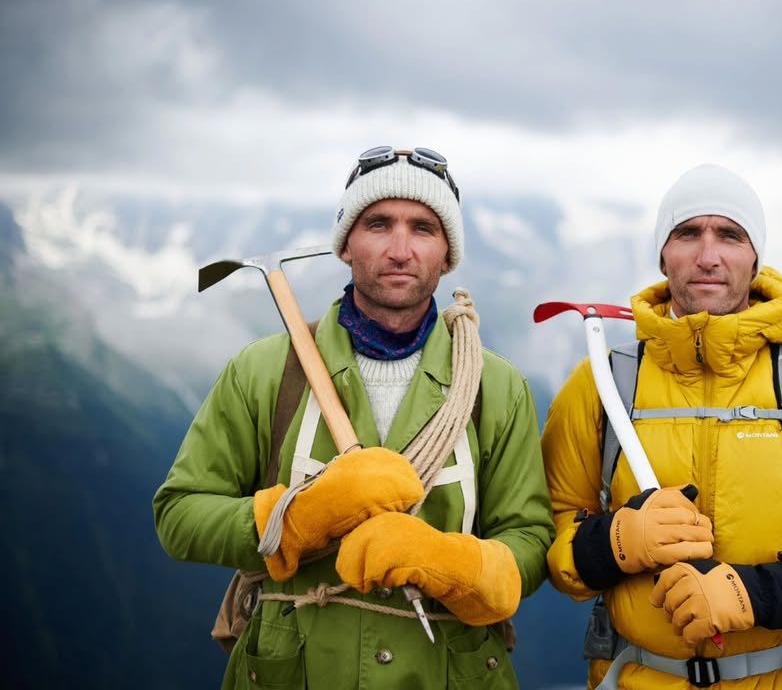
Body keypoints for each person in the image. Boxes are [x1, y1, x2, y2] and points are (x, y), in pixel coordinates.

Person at [154, 146, 554, 689]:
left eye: (423, 228)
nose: (399, 249)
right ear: (345, 245)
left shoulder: (493, 386)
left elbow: (529, 539)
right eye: (378, 224)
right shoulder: (266, 371)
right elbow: (179, 515)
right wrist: (294, 521)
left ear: (447, 255)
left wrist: (450, 562)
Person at [542, 164, 782, 689]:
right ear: (663, 255)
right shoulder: (600, 387)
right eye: (687, 234)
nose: (707, 256)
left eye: (729, 234)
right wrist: (612, 542)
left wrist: (760, 594)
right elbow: (548, 527)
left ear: (754, 257)